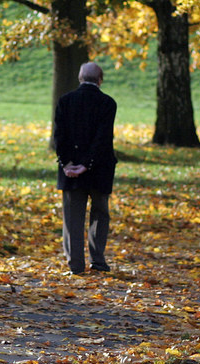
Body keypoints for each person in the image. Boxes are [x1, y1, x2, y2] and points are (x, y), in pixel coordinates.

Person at [54, 62, 118, 275]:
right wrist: (88, 164)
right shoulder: (108, 103)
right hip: (100, 168)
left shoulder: (65, 101)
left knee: (73, 216)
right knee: (100, 213)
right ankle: (97, 260)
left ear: (80, 78)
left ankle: (76, 264)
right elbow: (103, 138)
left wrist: (67, 163)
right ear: (101, 80)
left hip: (70, 170)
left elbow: (59, 136)